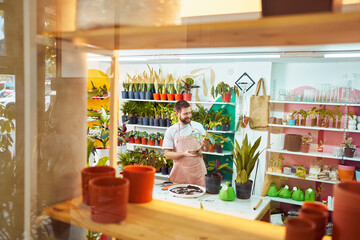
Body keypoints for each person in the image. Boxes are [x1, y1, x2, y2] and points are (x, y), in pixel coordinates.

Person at [163, 100, 207, 187]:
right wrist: (184, 154)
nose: (189, 116)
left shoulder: (198, 126)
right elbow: (167, 155)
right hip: (180, 172)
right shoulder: (171, 130)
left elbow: (206, 149)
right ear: (177, 114)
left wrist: (206, 144)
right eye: (185, 114)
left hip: (198, 171)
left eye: (190, 113)